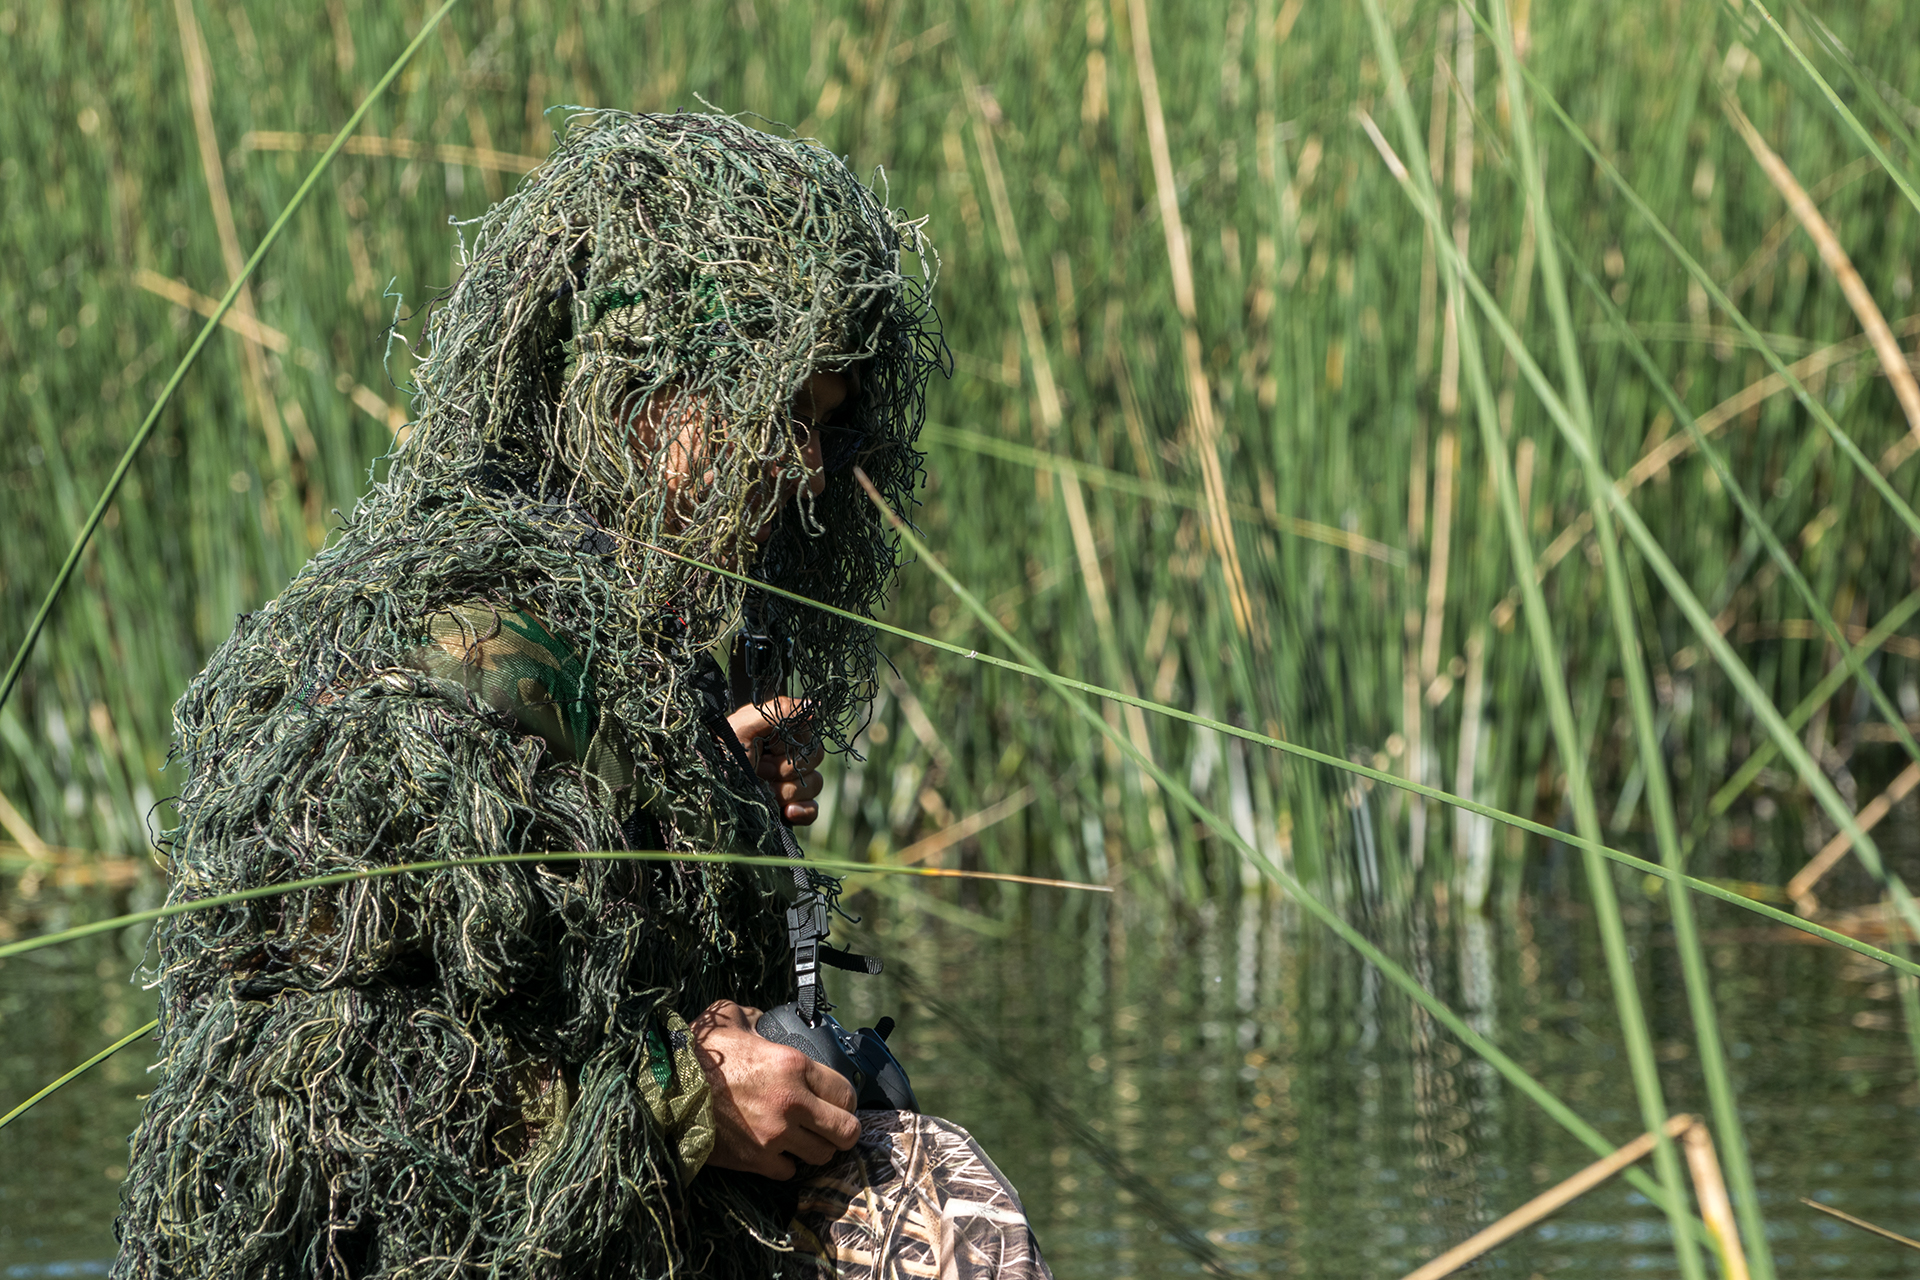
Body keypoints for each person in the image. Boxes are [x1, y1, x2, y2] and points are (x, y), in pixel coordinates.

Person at [114, 111, 1050, 1280]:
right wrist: (685, 1097)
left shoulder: (627, 651)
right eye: (779, 412)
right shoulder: (442, 662)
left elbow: (560, 939)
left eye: (822, 424)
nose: (807, 468)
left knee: (931, 1188)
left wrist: (699, 802)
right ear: (642, 390)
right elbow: (315, 1094)